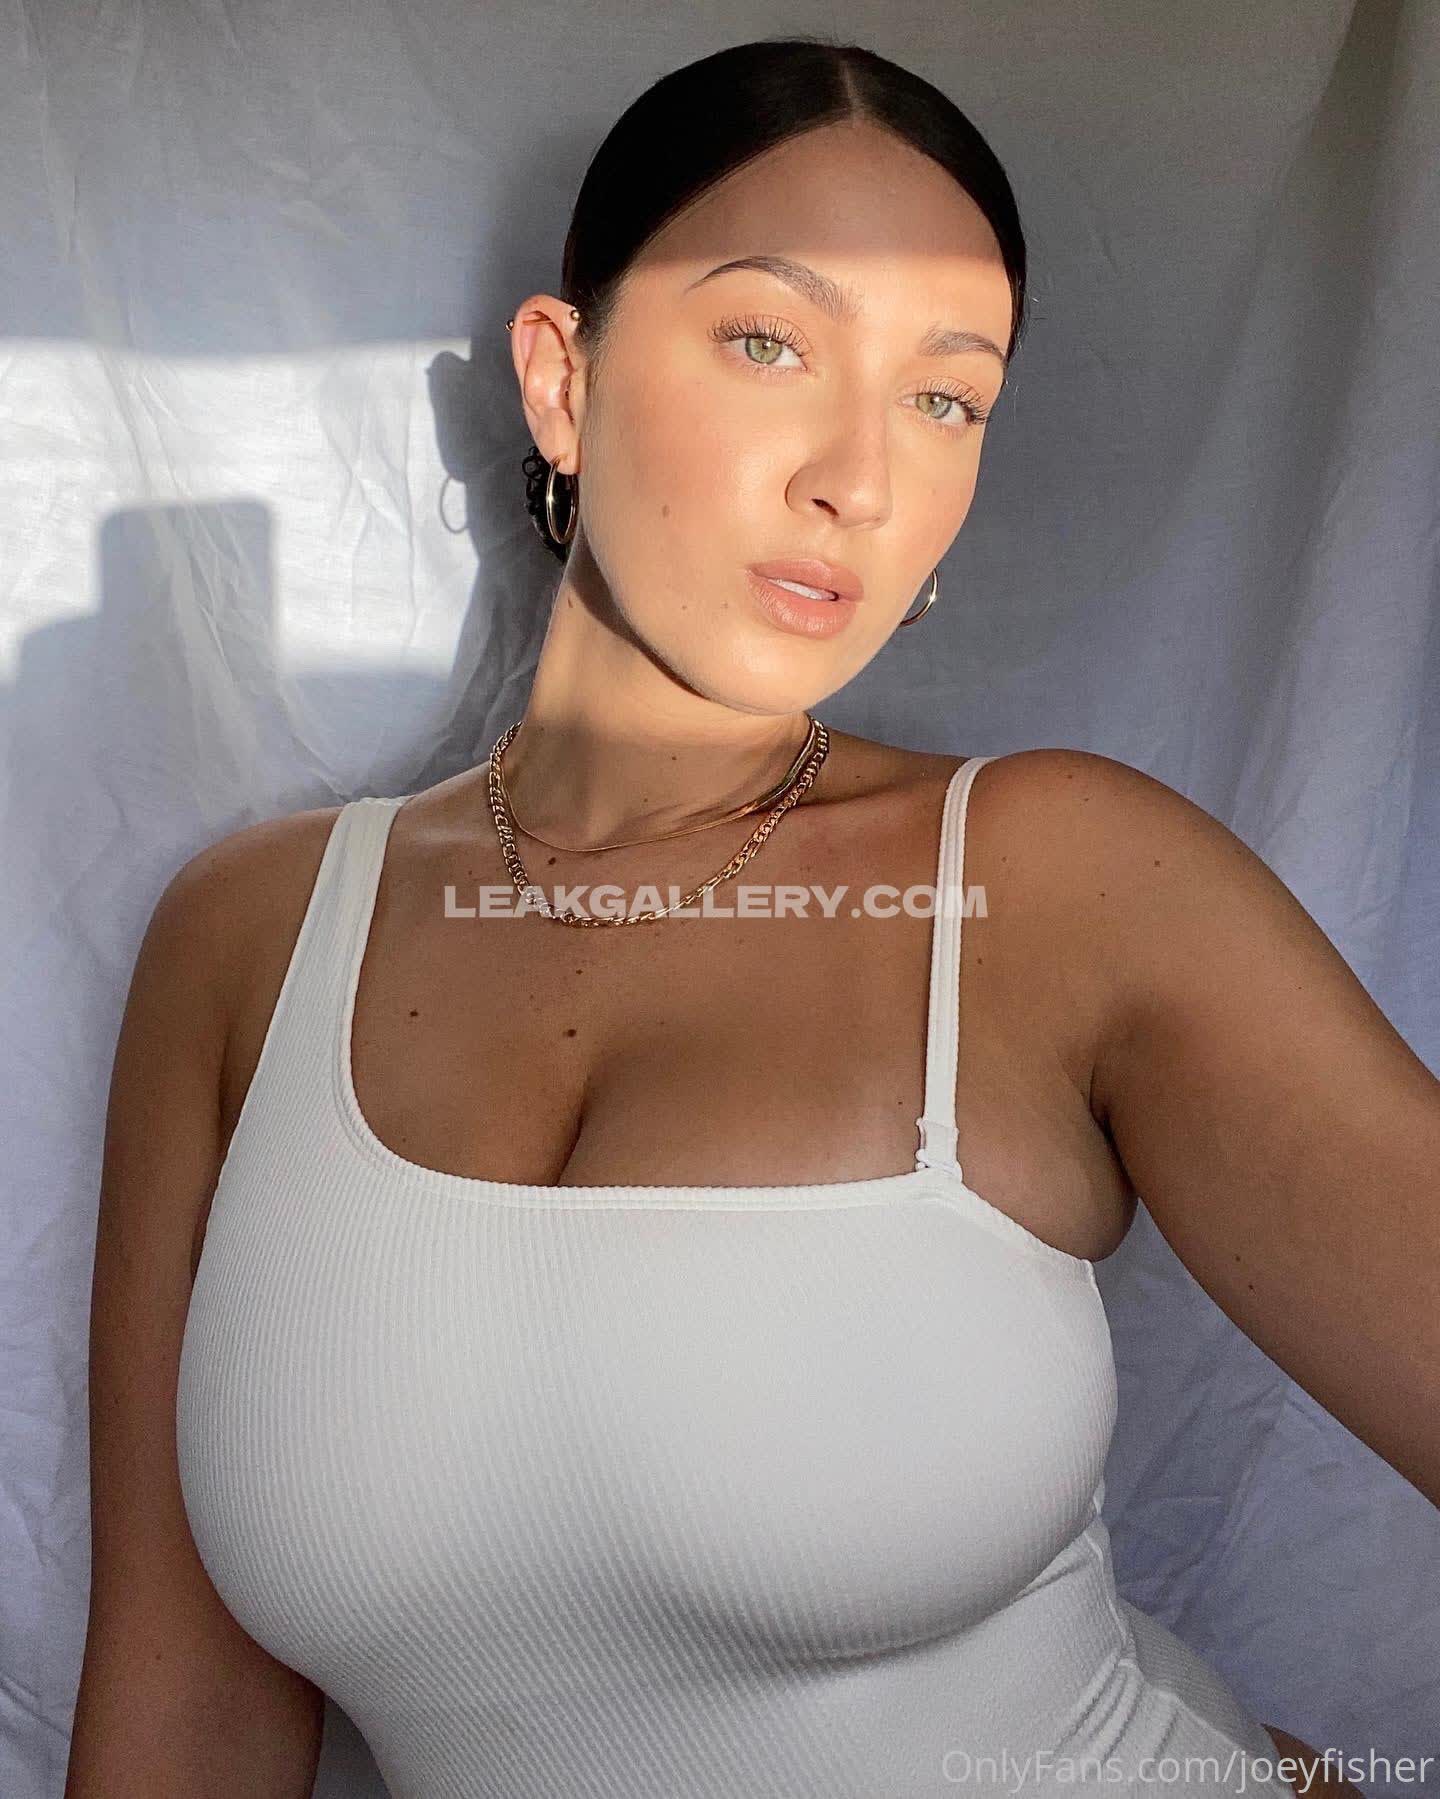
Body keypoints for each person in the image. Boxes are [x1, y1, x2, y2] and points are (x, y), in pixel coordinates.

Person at [66, 34, 1435, 1799]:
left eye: (946, 399)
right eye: (770, 342)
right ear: (563, 380)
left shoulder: (1063, 888)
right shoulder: (249, 942)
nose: (859, 478)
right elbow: (182, 1718)